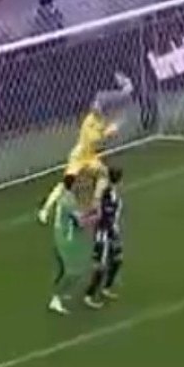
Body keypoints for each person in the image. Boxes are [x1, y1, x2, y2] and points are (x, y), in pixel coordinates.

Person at [37, 100, 120, 224]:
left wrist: (110, 133)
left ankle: (95, 204)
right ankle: (45, 210)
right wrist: (107, 133)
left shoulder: (100, 121)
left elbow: (100, 144)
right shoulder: (89, 121)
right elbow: (93, 140)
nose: (99, 110)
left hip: (90, 157)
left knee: (103, 175)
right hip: (79, 157)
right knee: (67, 184)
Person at [48, 175, 92, 315]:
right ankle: (56, 297)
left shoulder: (64, 197)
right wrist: (94, 218)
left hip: (58, 234)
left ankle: (57, 293)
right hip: (65, 238)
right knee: (74, 272)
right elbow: (80, 223)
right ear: (73, 185)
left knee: (62, 269)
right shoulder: (70, 201)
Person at [84, 166, 125, 309]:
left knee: (118, 259)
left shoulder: (112, 193)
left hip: (112, 231)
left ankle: (106, 288)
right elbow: (99, 212)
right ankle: (89, 295)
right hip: (103, 233)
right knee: (100, 266)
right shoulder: (105, 194)